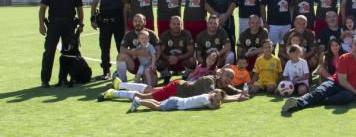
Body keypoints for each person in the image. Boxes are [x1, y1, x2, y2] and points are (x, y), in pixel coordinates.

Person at [282, 36, 356, 113]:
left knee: (345, 97)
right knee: (320, 91)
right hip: (335, 82)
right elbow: (342, 81)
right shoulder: (344, 58)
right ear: (351, 46)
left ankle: (322, 100)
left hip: (348, 90)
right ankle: (296, 103)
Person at [38, 0, 85, 87]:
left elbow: (79, 9)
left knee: (68, 54)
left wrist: (81, 23)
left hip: (69, 25)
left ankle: (63, 78)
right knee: (49, 52)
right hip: (54, 25)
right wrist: (41, 24)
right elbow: (43, 7)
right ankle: (45, 80)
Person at [99, 67, 248, 103]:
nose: (229, 79)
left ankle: (121, 85)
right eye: (228, 76)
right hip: (175, 90)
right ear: (220, 74)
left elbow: (230, 88)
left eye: (232, 78)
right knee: (145, 97)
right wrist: (237, 97)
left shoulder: (221, 82)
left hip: (178, 87)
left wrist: (241, 92)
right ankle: (113, 93)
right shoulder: (210, 81)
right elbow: (217, 98)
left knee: (150, 90)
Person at [91, 0, 126, 79]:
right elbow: (95, 3)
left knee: (120, 48)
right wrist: (93, 19)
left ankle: (121, 72)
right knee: (104, 48)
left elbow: (127, 5)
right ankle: (106, 72)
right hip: (105, 23)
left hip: (118, 23)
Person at [115, 14, 159, 82]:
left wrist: (153, 63)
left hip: (148, 64)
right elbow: (122, 49)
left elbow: (158, 50)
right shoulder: (129, 34)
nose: (137, 23)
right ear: (132, 23)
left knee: (152, 84)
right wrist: (136, 52)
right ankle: (122, 81)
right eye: (135, 21)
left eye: (140, 21)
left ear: (145, 22)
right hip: (134, 64)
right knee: (120, 56)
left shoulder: (151, 34)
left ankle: (145, 77)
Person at [157, 16, 196, 84]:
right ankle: (166, 75)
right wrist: (167, 58)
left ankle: (186, 75)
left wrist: (178, 58)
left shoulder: (186, 34)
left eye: (178, 24)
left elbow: (191, 51)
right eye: (174, 24)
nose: (176, 26)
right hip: (169, 61)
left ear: (181, 25)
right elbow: (160, 52)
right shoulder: (165, 35)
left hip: (182, 61)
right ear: (170, 25)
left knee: (192, 60)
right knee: (158, 61)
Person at [129, 88, 224, 113]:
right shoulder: (205, 99)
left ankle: (139, 100)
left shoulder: (205, 95)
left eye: (217, 98)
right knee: (158, 107)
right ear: (211, 92)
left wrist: (217, 101)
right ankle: (139, 101)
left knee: (158, 103)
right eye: (215, 95)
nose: (215, 98)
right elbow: (212, 107)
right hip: (176, 103)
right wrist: (218, 104)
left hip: (176, 100)